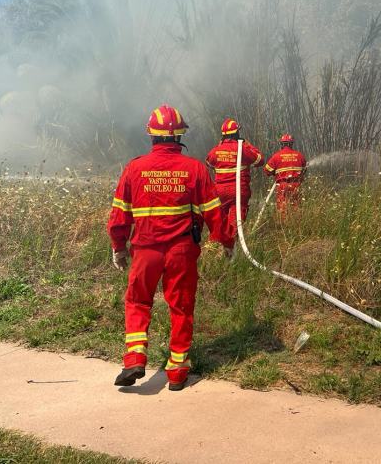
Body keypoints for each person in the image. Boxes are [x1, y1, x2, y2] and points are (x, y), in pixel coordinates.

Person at [108, 104, 233, 391]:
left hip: (145, 251)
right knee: (181, 306)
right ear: (179, 137)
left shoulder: (134, 168)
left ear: (152, 135)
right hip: (182, 252)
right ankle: (177, 372)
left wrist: (119, 247)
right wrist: (227, 241)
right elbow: (214, 213)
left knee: (138, 301)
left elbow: (119, 215)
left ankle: (135, 358)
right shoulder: (195, 169)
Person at [206, 119, 264, 243]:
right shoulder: (242, 149)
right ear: (237, 133)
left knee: (221, 218)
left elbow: (209, 162)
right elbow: (260, 160)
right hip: (238, 190)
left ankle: (216, 244)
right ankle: (232, 245)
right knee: (235, 218)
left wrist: (220, 146)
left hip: (220, 192)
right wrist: (246, 144)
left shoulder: (216, 150)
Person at [263, 133, 307, 216]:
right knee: (296, 206)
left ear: (281, 144)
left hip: (282, 185)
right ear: (291, 144)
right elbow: (304, 170)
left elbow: (266, 171)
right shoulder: (300, 156)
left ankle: (283, 226)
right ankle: (297, 225)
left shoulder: (276, 156)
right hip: (296, 184)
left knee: (282, 207)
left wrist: (275, 172)